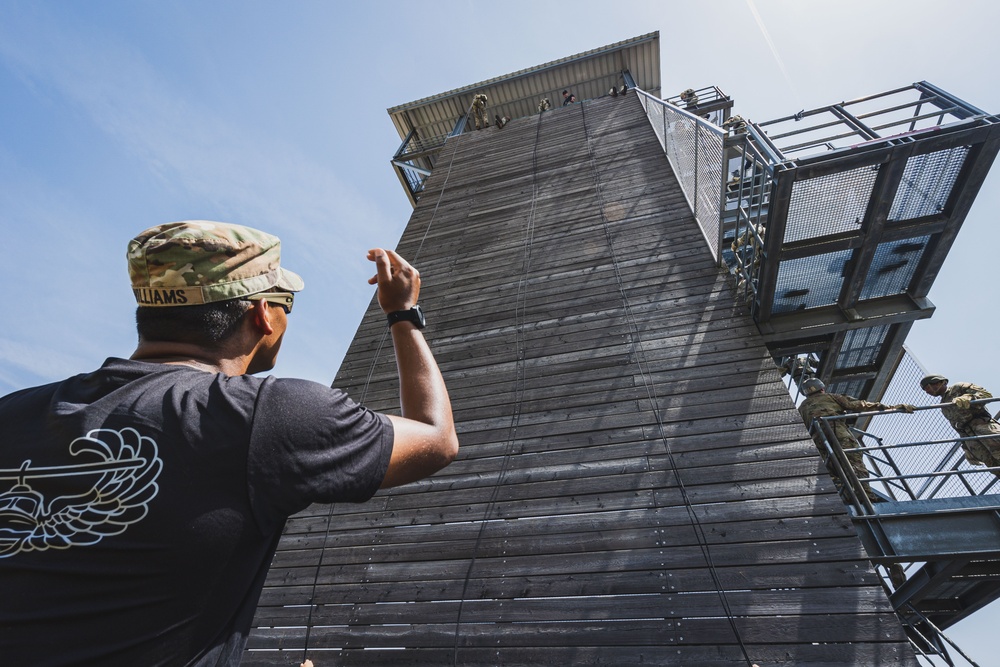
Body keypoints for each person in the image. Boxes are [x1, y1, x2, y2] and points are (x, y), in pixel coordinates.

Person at [0, 221, 459, 665]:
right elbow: (436, 439)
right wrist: (402, 315)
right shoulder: (270, 412)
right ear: (262, 313)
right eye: (286, 303)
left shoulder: (13, 410)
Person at [798, 378, 914, 503]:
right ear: (822, 388)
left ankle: (847, 499)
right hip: (840, 435)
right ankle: (867, 499)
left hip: (820, 444)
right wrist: (893, 408)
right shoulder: (831, 397)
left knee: (836, 472)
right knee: (855, 465)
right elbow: (859, 405)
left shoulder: (801, 408)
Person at [920, 374, 1000, 474]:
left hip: (985, 429)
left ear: (940, 382)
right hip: (972, 441)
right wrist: (966, 447)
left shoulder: (958, 387)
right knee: (995, 469)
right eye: (925, 390)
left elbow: (986, 394)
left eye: (928, 387)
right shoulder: (944, 406)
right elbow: (958, 428)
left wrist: (968, 397)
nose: (927, 391)